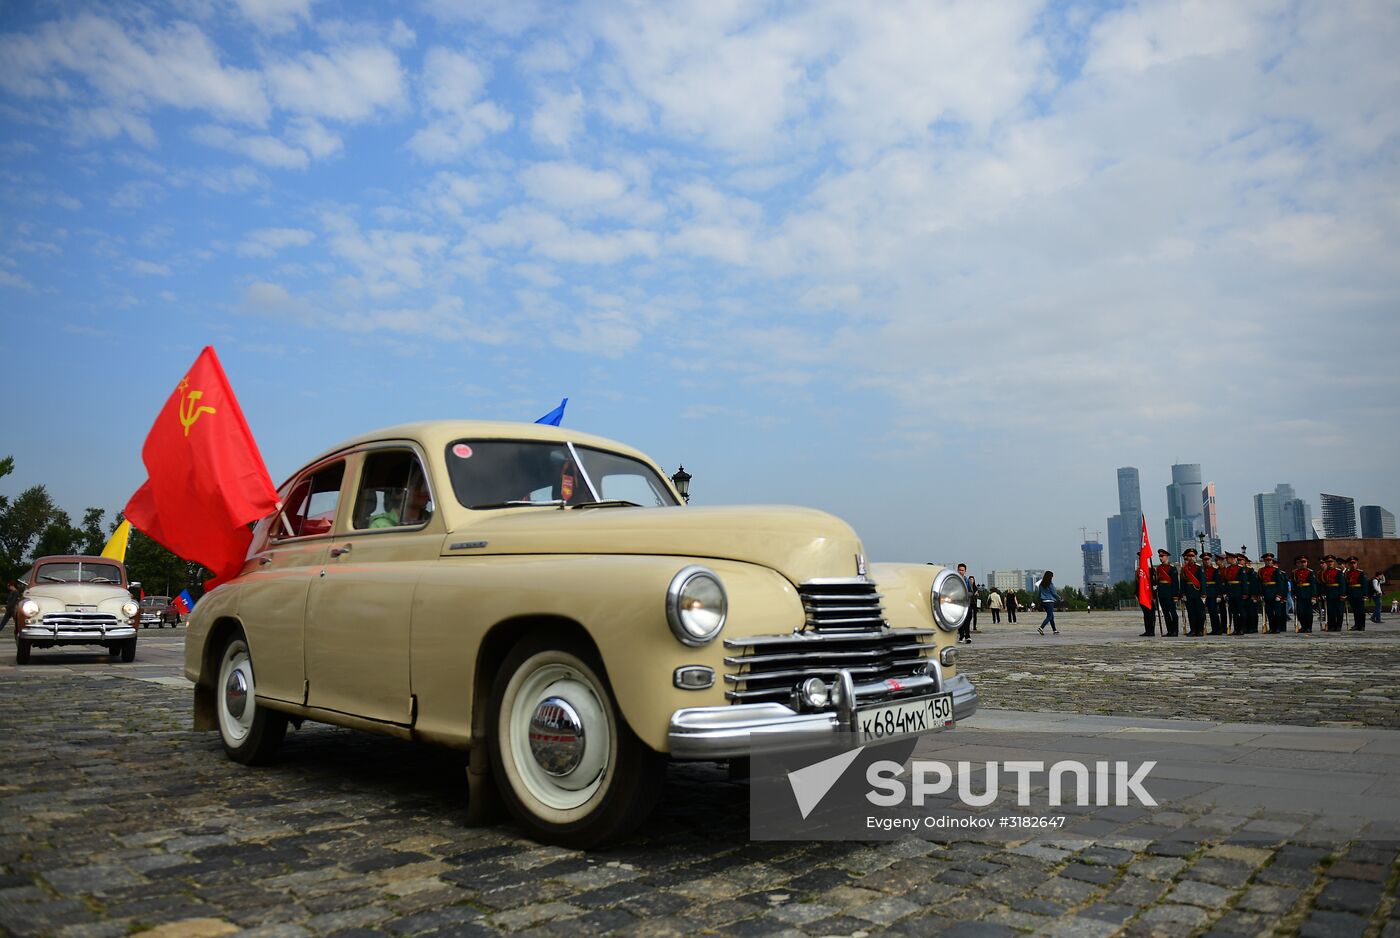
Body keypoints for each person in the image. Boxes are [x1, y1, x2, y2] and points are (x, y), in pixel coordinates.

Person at [1259, 553, 1288, 634]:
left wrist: (1279, 594)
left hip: (1275, 593)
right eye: (1266, 560)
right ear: (1264, 561)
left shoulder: (1276, 570)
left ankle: (1278, 628)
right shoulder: (1261, 570)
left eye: (1270, 560)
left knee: (1278, 613)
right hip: (1266, 593)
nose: (1268, 562)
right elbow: (1260, 583)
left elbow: (1280, 583)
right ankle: (1272, 628)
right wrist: (1260, 594)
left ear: (1272, 561)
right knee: (1269, 612)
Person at [1154, 548, 1180, 637]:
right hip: (1162, 593)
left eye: (1162, 556)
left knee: (1173, 613)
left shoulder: (1172, 568)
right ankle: (1169, 631)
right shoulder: (1159, 568)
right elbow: (1157, 580)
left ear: (1167, 557)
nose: (1161, 558)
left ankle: (1175, 631)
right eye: (1159, 556)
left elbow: (1175, 583)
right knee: (1165, 613)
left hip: (1170, 593)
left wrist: (1175, 595)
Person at [1180, 548, 1205, 636]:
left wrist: (1203, 594)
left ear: (1195, 557)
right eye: (1189, 556)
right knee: (1191, 613)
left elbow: (1202, 581)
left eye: (1192, 556)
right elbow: (1182, 582)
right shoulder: (1184, 569)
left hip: (1198, 592)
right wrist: (1183, 594)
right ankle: (1193, 630)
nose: (1191, 558)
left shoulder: (1199, 568)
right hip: (1188, 593)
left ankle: (1200, 630)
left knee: (1200, 613)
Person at [1292, 556, 1316, 633]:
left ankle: (1309, 627)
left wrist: (1313, 596)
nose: (1302, 564)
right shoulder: (1295, 572)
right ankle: (1304, 626)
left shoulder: (1310, 572)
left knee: (1308, 612)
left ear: (1307, 563)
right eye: (1301, 562)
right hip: (1299, 594)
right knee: (1300, 612)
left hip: (1308, 594)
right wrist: (1293, 593)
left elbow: (1313, 585)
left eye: (1304, 562)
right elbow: (1294, 584)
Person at [1321, 555, 1345, 632]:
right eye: (1328, 562)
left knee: (1339, 611)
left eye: (1331, 561)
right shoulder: (1324, 572)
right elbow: (1323, 584)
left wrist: (1342, 594)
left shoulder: (1338, 571)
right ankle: (1331, 626)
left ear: (1334, 562)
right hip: (1329, 593)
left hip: (1337, 593)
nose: (1330, 563)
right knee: (1330, 611)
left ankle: (1338, 626)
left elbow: (1342, 584)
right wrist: (1323, 593)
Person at [1202, 552, 1224, 635]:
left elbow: (1218, 583)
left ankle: (1217, 629)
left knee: (1213, 612)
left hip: (1213, 593)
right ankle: (1213, 629)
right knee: (1207, 613)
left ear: (1210, 560)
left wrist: (1219, 595)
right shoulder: (1202, 570)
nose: (1206, 561)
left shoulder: (1215, 570)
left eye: (1208, 559)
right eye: (1204, 560)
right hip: (1204, 593)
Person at [1240, 556, 1261, 634]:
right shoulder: (1239, 570)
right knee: (1244, 612)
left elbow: (1255, 584)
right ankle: (1245, 627)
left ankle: (1253, 627)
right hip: (1242, 593)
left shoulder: (1251, 571)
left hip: (1251, 594)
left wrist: (1254, 594)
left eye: (1241, 560)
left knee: (1252, 612)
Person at [1346, 557, 1367, 631]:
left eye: (1354, 563)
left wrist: (1364, 595)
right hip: (1351, 594)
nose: (1353, 565)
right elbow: (1347, 584)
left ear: (1356, 563)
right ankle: (1357, 625)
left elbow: (1364, 584)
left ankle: (1362, 626)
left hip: (1359, 594)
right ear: (1349, 564)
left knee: (1361, 611)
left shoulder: (1360, 572)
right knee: (1355, 611)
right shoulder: (1347, 573)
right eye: (1351, 563)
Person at [1037, 570, 1060, 635]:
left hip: (1044, 602)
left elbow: (1039, 594)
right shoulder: (1050, 584)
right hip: (1050, 602)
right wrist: (1059, 598)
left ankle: (1054, 630)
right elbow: (1054, 593)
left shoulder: (1041, 585)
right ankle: (1041, 628)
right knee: (1049, 616)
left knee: (1051, 616)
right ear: (1050, 577)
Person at [956, 563, 973, 645]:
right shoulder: (954, 580)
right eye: (959, 570)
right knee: (960, 621)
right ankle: (961, 636)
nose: (961, 571)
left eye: (962, 570)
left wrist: (965, 594)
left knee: (967, 620)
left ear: (965, 571)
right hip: (958, 604)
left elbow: (971, 592)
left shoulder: (968, 581)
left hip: (966, 603)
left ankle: (967, 636)